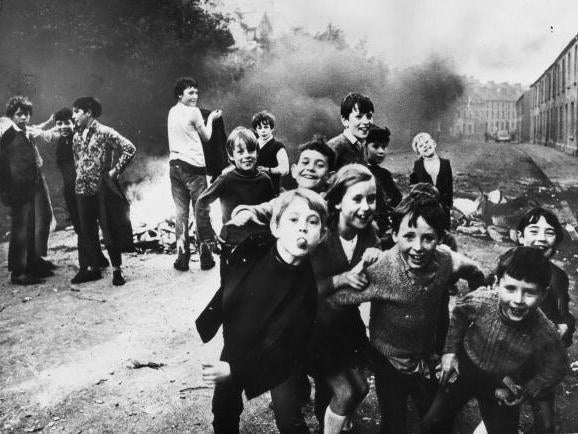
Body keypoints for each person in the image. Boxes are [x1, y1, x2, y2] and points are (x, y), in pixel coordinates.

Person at [328, 192, 485, 434]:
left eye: (428, 238)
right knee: (393, 424)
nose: (418, 247)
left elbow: (473, 269)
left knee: (437, 422)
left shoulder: (445, 260)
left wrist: (481, 297)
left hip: (425, 357)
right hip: (387, 360)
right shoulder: (383, 269)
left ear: (441, 238)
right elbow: (336, 300)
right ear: (394, 235)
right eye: (409, 236)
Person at [196, 189, 328, 434]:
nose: (303, 228)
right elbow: (230, 282)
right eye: (293, 219)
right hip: (238, 340)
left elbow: (285, 350)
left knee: (290, 420)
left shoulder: (307, 291)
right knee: (223, 409)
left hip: (277, 352)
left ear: (322, 236)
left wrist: (236, 371)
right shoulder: (253, 246)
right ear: (275, 228)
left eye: (312, 222)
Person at [421, 247, 569, 434]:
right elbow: (460, 313)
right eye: (510, 288)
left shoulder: (544, 331)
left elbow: (559, 365)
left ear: (543, 295)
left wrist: (528, 388)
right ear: (497, 284)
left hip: (504, 381)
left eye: (530, 293)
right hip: (466, 366)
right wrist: (450, 351)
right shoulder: (482, 301)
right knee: (432, 422)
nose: (518, 300)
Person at [474, 207, 575, 434]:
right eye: (534, 230)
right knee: (502, 416)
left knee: (547, 425)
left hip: (539, 362)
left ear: (556, 241)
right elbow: (485, 307)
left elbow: (563, 313)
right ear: (520, 237)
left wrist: (566, 327)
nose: (541, 238)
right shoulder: (506, 268)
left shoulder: (557, 277)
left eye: (549, 232)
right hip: (506, 359)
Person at [307, 164, 381, 434]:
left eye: (371, 198)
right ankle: (328, 424)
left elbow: (372, 275)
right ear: (337, 201)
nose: (366, 207)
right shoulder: (321, 234)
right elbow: (303, 289)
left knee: (360, 386)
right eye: (357, 198)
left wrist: (374, 260)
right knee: (343, 390)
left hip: (345, 327)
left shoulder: (370, 234)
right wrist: (342, 279)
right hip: (313, 328)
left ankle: (336, 418)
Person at [71, 96, 135, 286]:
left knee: (109, 231)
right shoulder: (76, 136)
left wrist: (115, 171)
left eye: (77, 112)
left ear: (88, 112)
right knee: (87, 232)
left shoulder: (105, 132)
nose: (74, 116)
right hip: (82, 190)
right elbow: (77, 162)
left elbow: (129, 148)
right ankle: (92, 269)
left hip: (101, 190)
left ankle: (117, 271)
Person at [195, 127, 275, 273]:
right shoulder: (226, 179)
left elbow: (272, 211)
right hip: (233, 244)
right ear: (231, 156)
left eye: (251, 150)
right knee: (230, 289)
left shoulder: (265, 180)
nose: (247, 156)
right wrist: (207, 236)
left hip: (261, 245)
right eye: (240, 152)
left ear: (257, 152)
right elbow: (202, 201)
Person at [0, 96, 60, 284]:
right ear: (11, 116)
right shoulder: (7, 134)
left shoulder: (25, 130)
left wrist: (50, 123)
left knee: (34, 223)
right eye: (19, 114)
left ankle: (33, 262)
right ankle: (18, 272)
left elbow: (38, 129)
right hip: (17, 190)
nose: (24, 118)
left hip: (31, 185)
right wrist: (5, 191)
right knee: (20, 229)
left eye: (26, 114)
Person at [167, 77, 223, 272]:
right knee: (201, 211)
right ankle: (206, 257)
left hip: (174, 167)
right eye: (190, 92)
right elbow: (207, 137)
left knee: (181, 213)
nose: (195, 96)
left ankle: (182, 259)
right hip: (193, 168)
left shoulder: (172, 111)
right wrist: (212, 120)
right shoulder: (195, 112)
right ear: (180, 94)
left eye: (196, 92)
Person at [228, 137, 335, 227]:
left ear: (330, 177)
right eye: (305, 162)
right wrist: (245, 213)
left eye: (320, 165)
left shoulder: (333, 207)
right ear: (294, 171)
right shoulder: (284, 201)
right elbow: (262, 210)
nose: (310, 168)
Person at [364, 124, 402, 247]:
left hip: (384, 231)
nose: (381, 151)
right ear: (364, 146)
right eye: (375, 146)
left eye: (384, 147)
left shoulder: (384, 174)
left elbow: (398, 201)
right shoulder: (357, 172)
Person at [409, 132, 453, 230]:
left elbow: (449, 186)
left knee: (443, 234)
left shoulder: (445, 163)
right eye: (421, 146)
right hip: (425, 209)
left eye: (427, 142)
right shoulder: (418, 165)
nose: (425, 146)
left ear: (434, 143)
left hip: (443, 208)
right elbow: (413, 187)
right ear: (418, 152)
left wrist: (449, 205)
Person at [328, 93, 374, 170]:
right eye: (359, 117)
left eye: (369, 116)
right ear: (345, 121)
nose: (366, 122)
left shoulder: (361, 146)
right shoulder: (334, 147)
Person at [252, 110, 289, 195]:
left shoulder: (278, 146)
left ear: (272, 128)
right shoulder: (252, 145)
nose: (263, 131)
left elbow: (285, 170)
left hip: (270, 190)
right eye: (259, 128)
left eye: (266, 127)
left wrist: (268, 170)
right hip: (252, 189)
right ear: (256, 130)